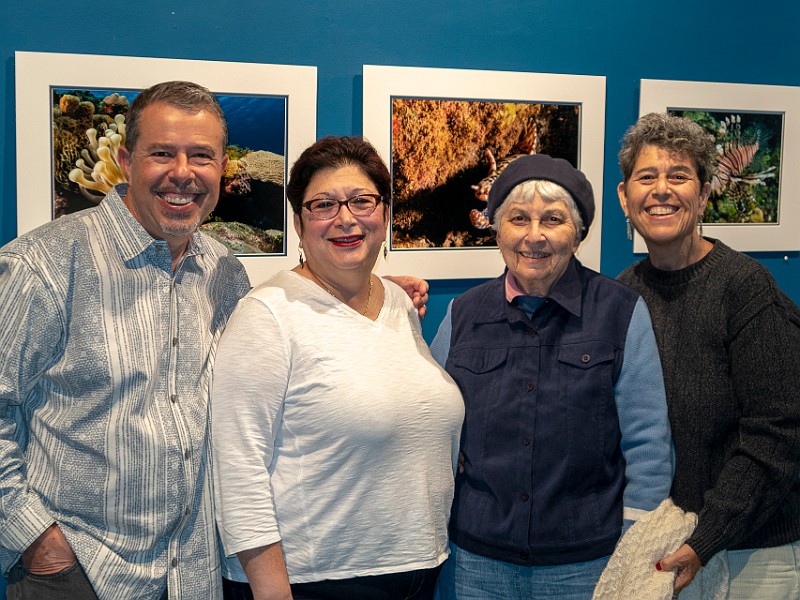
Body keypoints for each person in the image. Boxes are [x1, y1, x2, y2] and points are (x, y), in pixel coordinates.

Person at [0, 81, 251, 599]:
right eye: (162, 152)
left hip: (194, 576)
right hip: (80, 575)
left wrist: (363, 288)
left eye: (201, 155)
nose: (183, 172)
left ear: (222, 168)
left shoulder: (224, 270)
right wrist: (35, 538)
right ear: (125, 159)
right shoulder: (43, 264)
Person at [211, 135, 464, 600]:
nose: (345, 218)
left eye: (361, 201)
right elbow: (236, 470)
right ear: (299, 222)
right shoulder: (268, 316)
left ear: (385, 213)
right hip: (313, 583)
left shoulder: (398, 305)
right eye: (322, 204)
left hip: (417, 569)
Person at [430, 154, 673, 600]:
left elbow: (648, 442)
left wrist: (634, 547)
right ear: (496, 229)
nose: (534, 236)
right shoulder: (462, 314)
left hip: (587, 562)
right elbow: (429, 422)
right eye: (518, 219)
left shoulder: (620, 311)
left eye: (553, 219)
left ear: (578, 233)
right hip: (476, 563)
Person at [616, 112, 800, 598]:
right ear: (624, 197)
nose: (661, 190)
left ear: (702, 195)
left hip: (753, 555)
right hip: (666, 548)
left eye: (679, 176)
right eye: (646, 177)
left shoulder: (745, 289)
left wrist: (709, 535)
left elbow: (777, 433)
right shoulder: (623, 294)